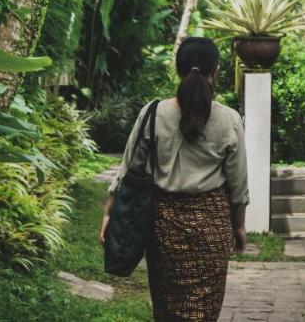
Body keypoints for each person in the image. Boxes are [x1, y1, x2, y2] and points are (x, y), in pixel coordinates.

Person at [99, 37, 248, 321]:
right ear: (214, 72)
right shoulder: (229, 119)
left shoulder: (153, 113)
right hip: (212, 226)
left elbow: (128, 169)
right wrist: (238, 225)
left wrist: (110, 211)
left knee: (167, 307)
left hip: (163, 225)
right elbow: (238, 184)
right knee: (204, 309)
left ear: (177, 71)